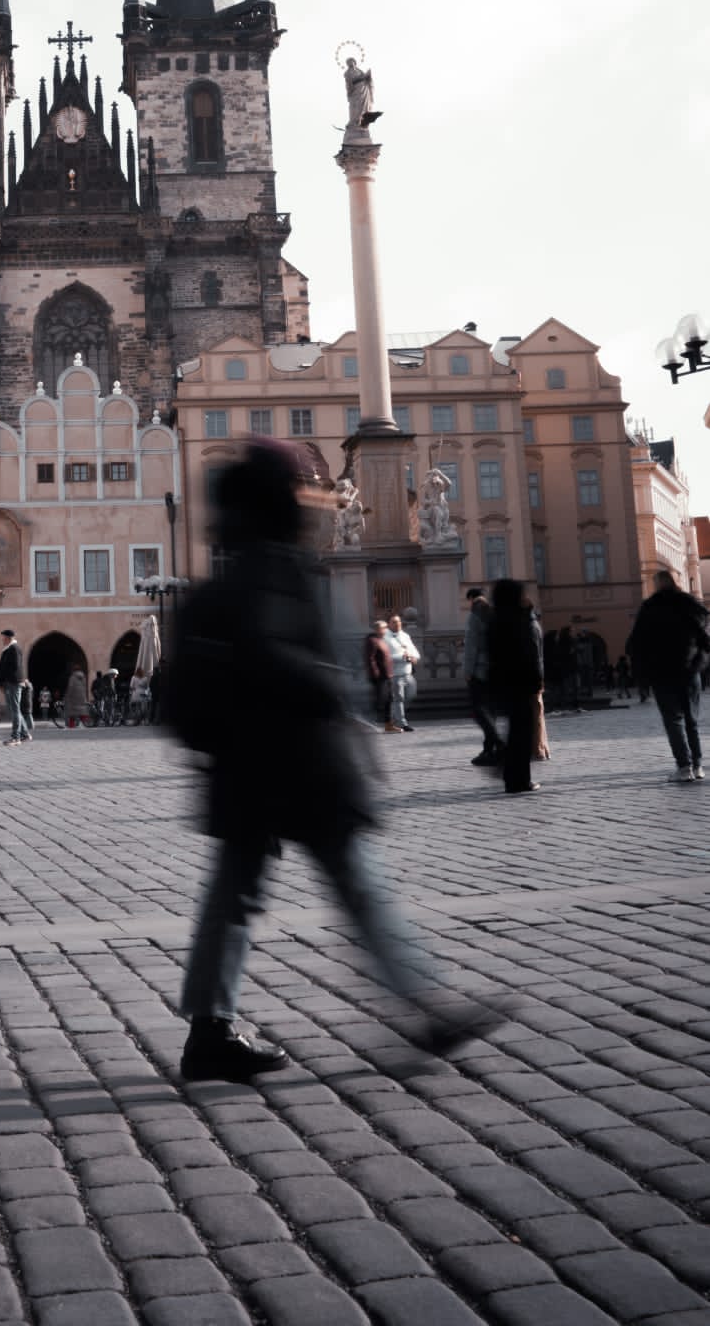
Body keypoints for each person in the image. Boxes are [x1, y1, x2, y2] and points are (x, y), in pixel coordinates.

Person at [168, 443, 499, 1084]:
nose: (311, 502)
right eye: (299, 491)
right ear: (275, 501)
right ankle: (424, 1005)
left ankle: (209, 1028)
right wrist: (329, 695)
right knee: (356, 889)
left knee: (238, 898)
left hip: (248, 771)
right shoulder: (278, 569)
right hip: (300, 765)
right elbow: (282, 659)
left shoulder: (232, 576)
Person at [628, 569, 709, 784]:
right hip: (689, 670)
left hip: (662, 672)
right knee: (691, 720)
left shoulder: (650, 608)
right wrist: (698, 659)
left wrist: (642, 671)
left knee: (673, 720)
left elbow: (635, 643)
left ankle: (684, 767)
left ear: (656, 584)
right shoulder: (689, 605)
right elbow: (704, 637)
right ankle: (698, 765)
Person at [489, 578, 545, 796]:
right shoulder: (520, 620)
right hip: (522, 682)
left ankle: (511, 776)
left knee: (515, 732)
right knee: (523, 733)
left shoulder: (496, 619)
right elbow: (530, 653)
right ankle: (520, 779)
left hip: (504, 683)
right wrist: (537, 679)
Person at [463, 589, 504, 766]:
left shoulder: (475, 614)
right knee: (491, 711)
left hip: (480, 670)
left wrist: (467, 671)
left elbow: (471, 645)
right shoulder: (494, 612)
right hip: (496, 670)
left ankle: (499, 744)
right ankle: (489, 749)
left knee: (478, 710)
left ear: (471, 599)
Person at [384, 615, 420, 733]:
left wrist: (414, 657)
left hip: (408, 673)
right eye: (394, 622)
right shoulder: (385, 637)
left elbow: (414, 650)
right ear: (389, 624)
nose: (397, 623)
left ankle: (394, 718)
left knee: (411, 694)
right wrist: (402, 657)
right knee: (398, 698)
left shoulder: (405, 635)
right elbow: (386, 656)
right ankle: (402, 723)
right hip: (396, 674)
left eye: (399, 621)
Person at [0, 629, 31, 745]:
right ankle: (25, 734)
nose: (2, 640)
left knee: (15, 710)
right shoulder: (9, 649)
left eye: (3, 638)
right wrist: (1, 682)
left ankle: (16, 737)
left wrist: (5, 681)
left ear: (8, 638)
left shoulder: (14, 649)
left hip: (13, 683)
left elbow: (15, 668)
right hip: (9, 683)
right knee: (14, 710)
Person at [363, 622, 391, 726]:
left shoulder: (382, 640)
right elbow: (370, 659)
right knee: (380, 699)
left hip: (386, 675)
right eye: (384, 628)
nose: (386, 630)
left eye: (386, 628)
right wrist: (375, 673)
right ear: (378, 629)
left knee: (387, 699)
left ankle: (387, 722)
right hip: (379, 677)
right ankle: (373, 720)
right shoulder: (372, 640)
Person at [63, 663, 89, 728]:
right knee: (82, 710)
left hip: (74, 697)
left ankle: (71, 725)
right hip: (82, 696)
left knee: (72, 712)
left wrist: (68, 695)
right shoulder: (83, 677)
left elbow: (70, 687)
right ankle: (83, 723)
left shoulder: (73, 677)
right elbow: (85, 686)